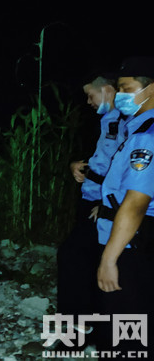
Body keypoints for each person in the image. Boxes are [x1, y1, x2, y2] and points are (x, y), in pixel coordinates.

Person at [94, 56, 154, 355]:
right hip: (136, 239)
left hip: (133, 243)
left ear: (151, 89)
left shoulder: (147, 137)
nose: (119, 96)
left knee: (126, 332)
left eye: (126, 88)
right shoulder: (137, 130)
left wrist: (109, 260)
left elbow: (136, 204)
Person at [57, 74, 127, 333]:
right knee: (83, 259)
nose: (88, 101)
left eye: (91, 95)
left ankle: (80, 326)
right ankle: (86, 324)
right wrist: (77, 165)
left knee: (73, 256)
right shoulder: (107, 119)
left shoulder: (127, 121)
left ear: (107, 90)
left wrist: (110, 205)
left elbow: (128, 170)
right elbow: (105, 159)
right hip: (91, 198)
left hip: (105, 204)